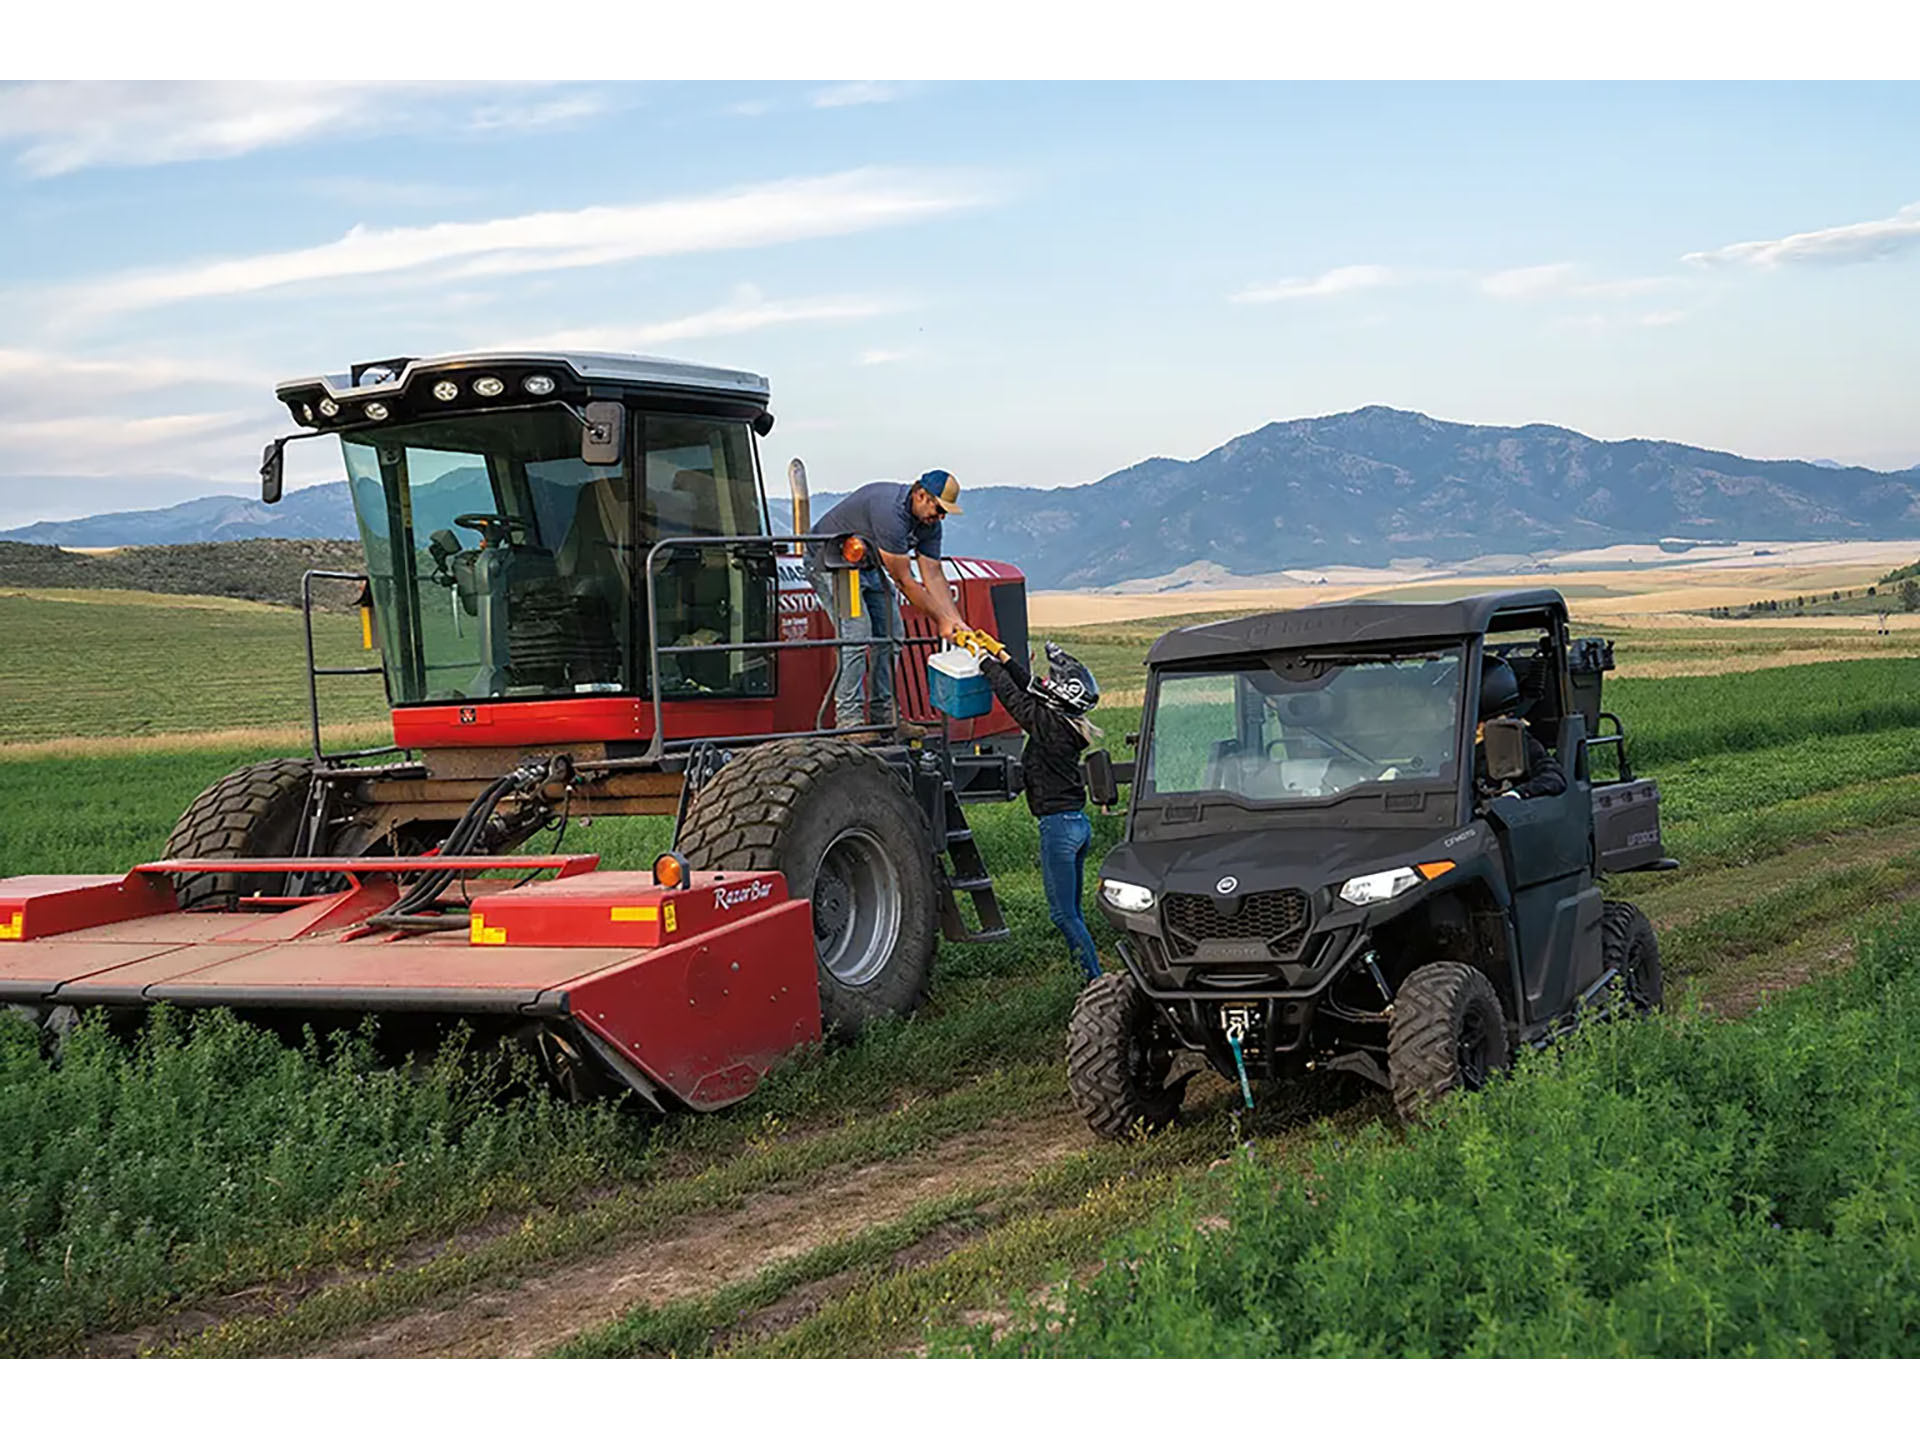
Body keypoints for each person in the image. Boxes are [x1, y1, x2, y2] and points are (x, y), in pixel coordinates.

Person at [976, 639, 1106, 985]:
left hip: (1060, 829)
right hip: (1076, 825)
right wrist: (1004, 656)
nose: (1047, 682)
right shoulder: (1065, 722)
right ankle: (1090, 974)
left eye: (1053, 680)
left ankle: (1094, 981)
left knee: (1063, 915)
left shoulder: (1050, 727)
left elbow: (1017, 702)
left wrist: (986, 665)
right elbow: (1032, 690)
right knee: (1073, 912)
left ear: (1063, 694)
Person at [805, 471, 967, 728]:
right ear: (921, 494)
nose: (941, 516)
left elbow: (933, 575)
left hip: (868, 567)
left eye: (945, 512)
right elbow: (904, 581)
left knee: (892, 634)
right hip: (834, 566)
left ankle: (884, 714)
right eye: (938, 508)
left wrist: (956, 621)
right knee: (857, 634)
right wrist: (941, 620)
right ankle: (849, 719)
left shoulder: (929, 525)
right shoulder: (891, 515)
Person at [1474, 657, 1566, 800]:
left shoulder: (1514, 740)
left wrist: (1516, 794)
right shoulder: (1452, 737)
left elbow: (1553, 777)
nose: (1451, 702)